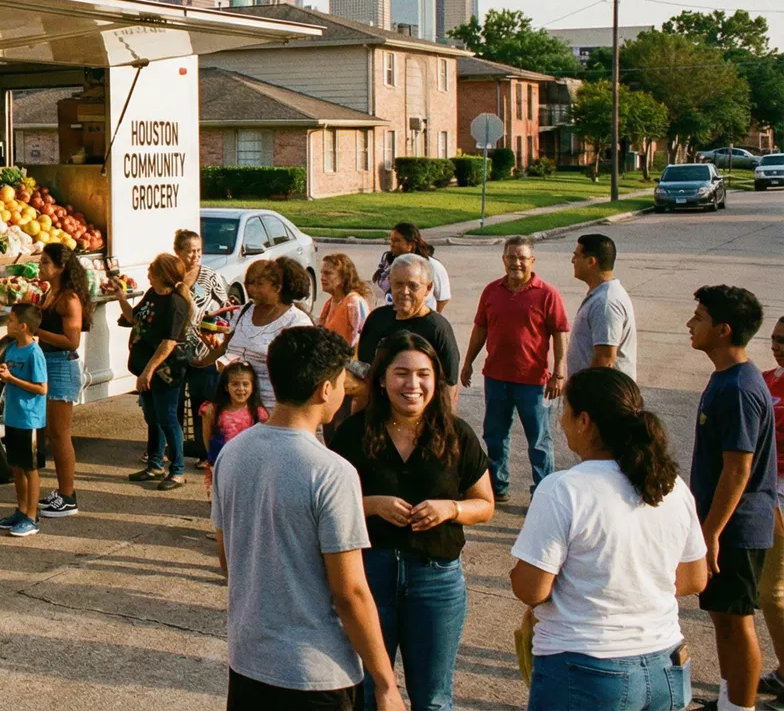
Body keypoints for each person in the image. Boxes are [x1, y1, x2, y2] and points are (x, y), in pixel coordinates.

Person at [213, 325, 406, 711]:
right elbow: (350, 592)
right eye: (341, 380)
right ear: (325, 390)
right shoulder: (331, 472)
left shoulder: (232, 454)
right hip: (315, 674)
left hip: (248, 662)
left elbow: (227, 560)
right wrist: (386, 683)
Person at [510, 368, 708, 711]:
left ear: (584, 421)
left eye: (566, 414)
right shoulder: (672, 486)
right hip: (666, 665)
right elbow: (694, 578)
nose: (562, 424)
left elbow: (531, 589)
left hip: (585, 668)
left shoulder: (563, 489)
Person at [330, 332, 495, 710]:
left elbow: (484, 504)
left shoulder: (457, 435)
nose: (413, 384)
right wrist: (371, 504)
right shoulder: (354, 434)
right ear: (382, 379)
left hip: (436, 580)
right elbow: (329, 504)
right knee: (371, 693)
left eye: (423, 374)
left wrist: (450, 509)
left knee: (434, 699)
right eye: (401, 373)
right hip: (370, 576)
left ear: (436, 380)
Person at [686, 285, 775, 711]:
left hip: (736, 528)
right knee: (722, 619)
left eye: (699, 317)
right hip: (723, 524)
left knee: (737, 622)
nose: (690, 324)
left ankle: (741, 708)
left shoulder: (739, 388)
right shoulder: (725, 378)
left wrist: (712, 532)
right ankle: (728, 702)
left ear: (723, 330)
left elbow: (738, 469)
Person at [460, 235, 570, 504]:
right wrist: (468, 362)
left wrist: (559, 373)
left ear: (532, 261)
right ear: (503, 259)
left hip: (533, 381)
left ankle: (543, 492)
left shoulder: (547, 293)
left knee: (539, 440)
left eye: (522, 258)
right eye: (511, 257)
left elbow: (560, 332)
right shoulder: (491, 291)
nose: (516, 263)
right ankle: (498, 485)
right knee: (495, 436)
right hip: (496, 377)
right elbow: (481, 328)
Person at [118, 252, 196, 490]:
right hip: (146, 369)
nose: (148, 272)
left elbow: (168, 343)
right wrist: (119, 295)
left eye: (152, 269)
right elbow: (133, 318)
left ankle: (177, 470)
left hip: (165, 371)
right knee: (152, 416)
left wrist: (148, 372)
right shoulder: (153, 294)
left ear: (163, 275)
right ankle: (154, 464)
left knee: (168, 417)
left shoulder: (175, 303)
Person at [202, 257, 314, 411]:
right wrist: (199, 362)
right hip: (234, 409)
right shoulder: (244, 311)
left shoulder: (297, 321)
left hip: (271, 410)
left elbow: (302, 373)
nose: (251, 289)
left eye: (259, 284)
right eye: (249, 283)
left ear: (277, 287)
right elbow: (226, 348)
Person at [34, 242, 90, 518]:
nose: (40, 266)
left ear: (61, 267)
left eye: (45, 262)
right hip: (47, 363)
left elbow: (72, 340)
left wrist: (37, 331)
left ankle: (68, 495)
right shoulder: (49, 293)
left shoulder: (69, 299)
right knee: (52, 434)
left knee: (60, 434)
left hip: (61, 366)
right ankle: (62, 491)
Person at [356, 256, 462, 392]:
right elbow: (365, 368)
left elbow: (449, 384)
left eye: (413, 286)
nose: (404, 292)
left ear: (428, 288)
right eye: (398, 284)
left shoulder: (438, 328)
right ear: (390, 283)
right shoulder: (377, 319)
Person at [174, 227, 232, 461]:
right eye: (190, 251)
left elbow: (225, 312)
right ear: (177, 251)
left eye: (199, 251)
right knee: (175, 403)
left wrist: (214, 331)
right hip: (175, 349)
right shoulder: (171, 276)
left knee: (203, 403)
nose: (196, 256)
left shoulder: (210, 277)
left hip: (203, 350)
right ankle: (174, 449)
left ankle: (203, 451)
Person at [0, 303, 49, 536]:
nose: (8, 324)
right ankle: (21, 509)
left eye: (11, 320)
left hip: (30, 420)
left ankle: (32, 516)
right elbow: (8, 375)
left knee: (29, 468)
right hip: (13, 416)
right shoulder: (12, 348)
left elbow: (42, 388)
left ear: (23, 326)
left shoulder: (34, 353)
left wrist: (12, 379)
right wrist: (0, 374)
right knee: (15, 465)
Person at [756, 316, 784, 700]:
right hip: (765, 490)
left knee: (772, 591)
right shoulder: (766, 379)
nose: (778, 345)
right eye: (776, 338)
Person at [568, 233, 639, 378]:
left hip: (600, 394)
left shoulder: (606, 302)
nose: (572, 260)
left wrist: (583, 391)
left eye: (576, 256)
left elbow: (605, 358)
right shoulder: (601, 295)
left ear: (590, 262)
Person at [201, 362, 268, 493]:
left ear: (253, 386)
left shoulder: (259, 414)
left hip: (250, 469)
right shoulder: (212, 411)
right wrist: (214, 462)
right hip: (221, 467)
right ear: (226, 387)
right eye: (235, 384)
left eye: (245, 384)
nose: (241, 389)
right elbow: (207, 438)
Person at [373, 223, 450, 313]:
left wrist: (431, 317)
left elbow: (443, 298)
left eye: (396, 240)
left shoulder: (432, 266)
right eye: (391, 240)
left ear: (411, 244)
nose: (392, 244)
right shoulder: (389, 264)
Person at [318, 252, 373, 346]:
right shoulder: (329, 303)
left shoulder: (354, 303)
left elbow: (365, 339)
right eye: (322, 273)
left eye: (328, 273)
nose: (322, 277)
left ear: (344, 278)